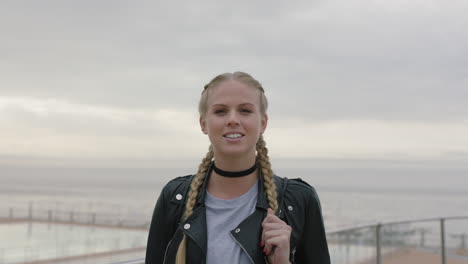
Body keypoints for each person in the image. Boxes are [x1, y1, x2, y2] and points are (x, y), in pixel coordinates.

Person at [145, 72, 330, 264]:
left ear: (263, 123)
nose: (233, 120)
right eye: (220, 111)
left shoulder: (300, 200)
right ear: (203, 123)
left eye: (245, 110)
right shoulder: (174, 198)